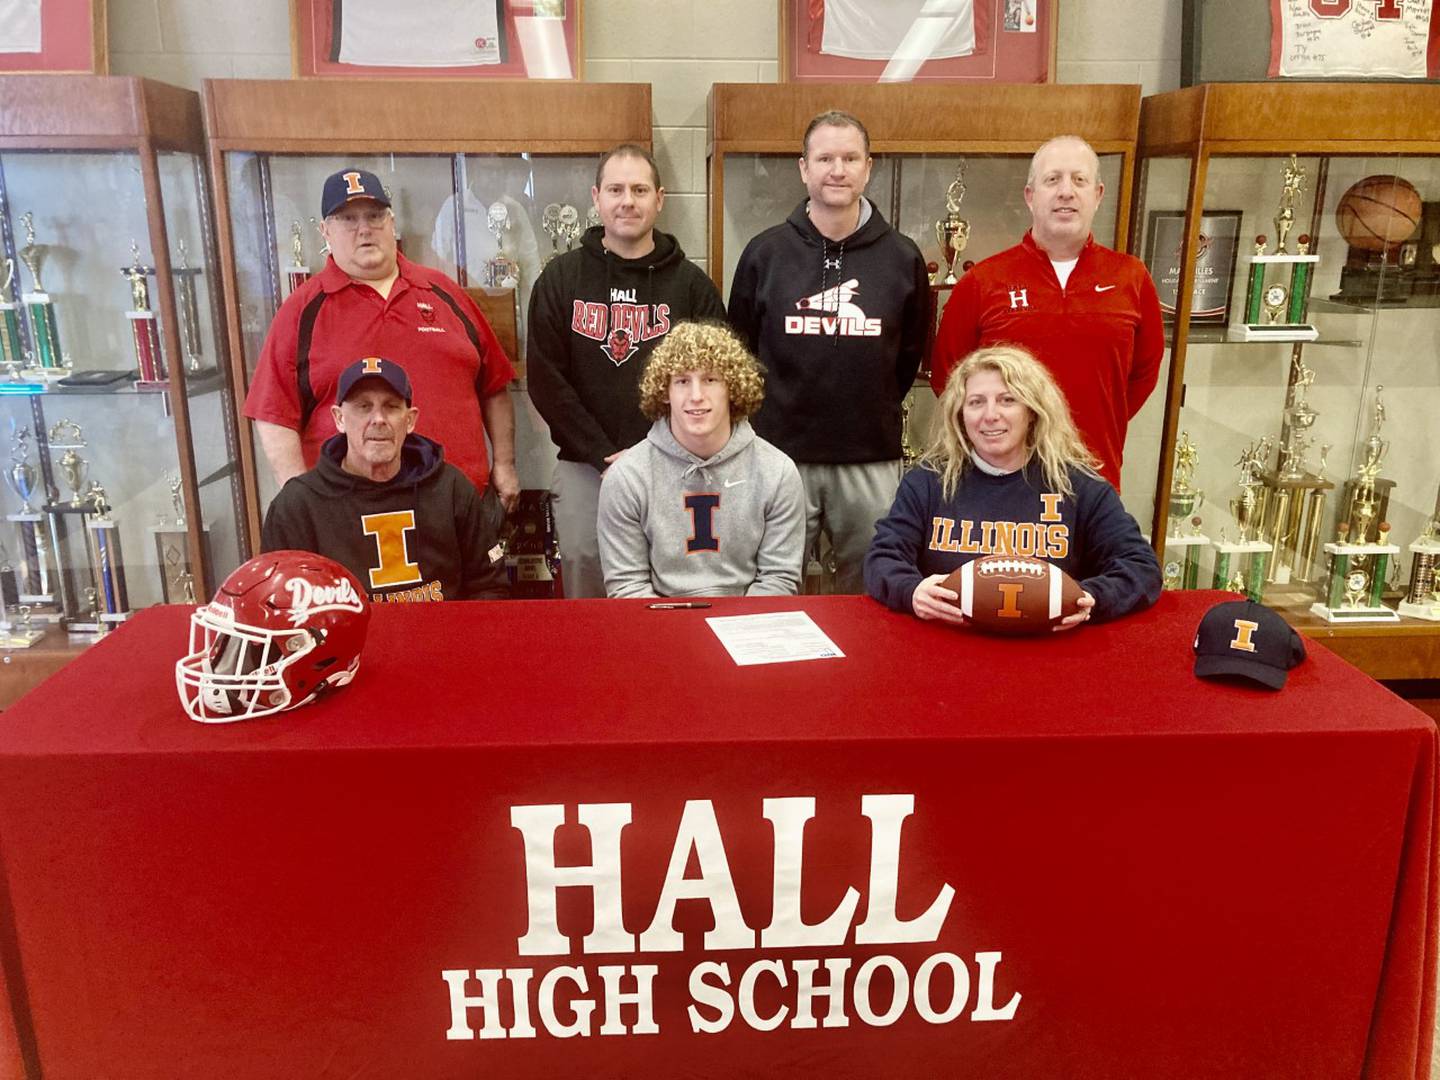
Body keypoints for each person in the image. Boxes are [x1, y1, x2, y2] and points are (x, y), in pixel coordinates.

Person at [727, 109, 929, 594]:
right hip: (778, 456)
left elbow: (908, 357)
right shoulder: (765, 253)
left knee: (870, 590)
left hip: (869, 458)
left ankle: (862, 672)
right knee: (772, 588)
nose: (837, 169)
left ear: (868, 167)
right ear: (803, 168)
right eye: (824, 158)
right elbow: (739, 351)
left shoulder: (903, 257)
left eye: (849, 158)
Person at [245, 167, 519, 511]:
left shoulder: (443, 292)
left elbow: (493, 384)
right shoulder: (301, 311)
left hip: (457, 510)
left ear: (392, 224)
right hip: (350, 516)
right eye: (347, 219)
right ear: (325, 231)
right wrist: (300, 499)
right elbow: (273, 413)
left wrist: (505, 465)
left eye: (374, 216)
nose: (364, 229)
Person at [527, 144, 726, 597]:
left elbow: (713, 383)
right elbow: (546, 380)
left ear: (660, 198)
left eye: (639, 190)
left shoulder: (693, 287)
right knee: (589, 582)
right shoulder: (560, 279)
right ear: (596, 198)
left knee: (677, 583)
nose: (627, 201)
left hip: (676, 465)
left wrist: (654, 452)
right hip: (585, 467)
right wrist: (603, 454)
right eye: (615, 189)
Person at [929, 135, 1164, 490]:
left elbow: (1142, 376)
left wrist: (1077, 427)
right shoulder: (982, 281)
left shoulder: (1131, 278)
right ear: (1030, 195)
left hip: (1093, 477)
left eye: (1079, 180)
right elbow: (950, 379)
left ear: (1098, 195)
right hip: (1000, 485)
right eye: (1052, 180)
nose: (1066, 191)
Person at [865, 344, 1161, 626]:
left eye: (1008, 400)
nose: (990, 415)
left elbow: (1141, 567)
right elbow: (882, 557)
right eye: (976, 402)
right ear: (960, 415)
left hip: (1051, 653)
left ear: (1032, 411)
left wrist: (1091, 599)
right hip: (948, 647)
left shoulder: (1079, 486)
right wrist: (912, 591)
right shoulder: (927, 481)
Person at [261, 356, 508, 603]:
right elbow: (280, 607)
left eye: (391, 406)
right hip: (347, 641)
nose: (378, 419)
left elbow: (490, 586)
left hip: (441, 639)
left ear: (410, 420)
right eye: (363, 406)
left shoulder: (452, 489)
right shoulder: (296, 506)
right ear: (339, 419)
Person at [597, 321, 804, 598]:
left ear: (732, 387)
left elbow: (778, 579)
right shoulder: (627, 477)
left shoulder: (777, 472)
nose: (696, 396)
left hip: (747, 625)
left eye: (710, 379)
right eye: (682, 381)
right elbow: (627, 587)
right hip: (661, 623)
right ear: (665, 392)